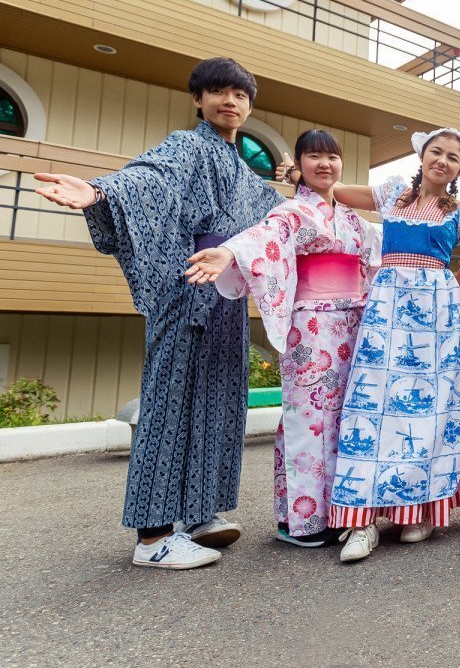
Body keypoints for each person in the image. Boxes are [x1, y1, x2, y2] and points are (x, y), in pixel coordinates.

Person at [34, 57, 283, 569]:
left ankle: (198, 513)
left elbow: (280, 217)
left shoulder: (241, 168)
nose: (229, 101)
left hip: (227, 299)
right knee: (168, 405)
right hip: (187, 285)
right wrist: (101, 192)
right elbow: (149, 177)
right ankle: (151, 537)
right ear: (198, 100)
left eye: (239, 94)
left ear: (250, 105)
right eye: (217, 91)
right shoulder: (187, 145)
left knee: (218, 402)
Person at [296, 128, 460, 562]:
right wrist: (300, 171)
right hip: (386, 312)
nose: (442, 161)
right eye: (436, 152)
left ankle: (418, 509)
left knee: (428, 413)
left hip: (438, 317)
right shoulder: (392, 194)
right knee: (371, 409)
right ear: (422, 156)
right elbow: (334, 187)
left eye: (453, 157)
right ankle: (362, 520)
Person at [184, 129, 380, 547]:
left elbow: (386, 251)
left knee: (347, 419)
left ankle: (342, 511)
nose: (324, 164)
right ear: (301, 164)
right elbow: (263, 238)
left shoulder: (351, 220)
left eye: (332, 156)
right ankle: (300, 520)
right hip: (310, 327)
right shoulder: (291, 213)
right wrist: (229, 253)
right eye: (314, 156)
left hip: (351, 324)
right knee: (308, 419)